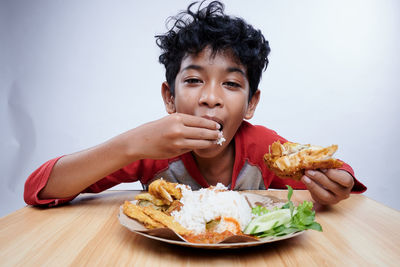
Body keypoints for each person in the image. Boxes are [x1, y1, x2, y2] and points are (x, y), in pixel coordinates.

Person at [24, 1, 366, 207]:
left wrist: (339, 182)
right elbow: (38, 188)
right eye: (193, 80)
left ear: (251, 105)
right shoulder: (150, 149)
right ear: (169, 99)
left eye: (231, 84)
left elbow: (333, 169)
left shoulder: (264, 148)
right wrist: (129, 146)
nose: (210, 97)